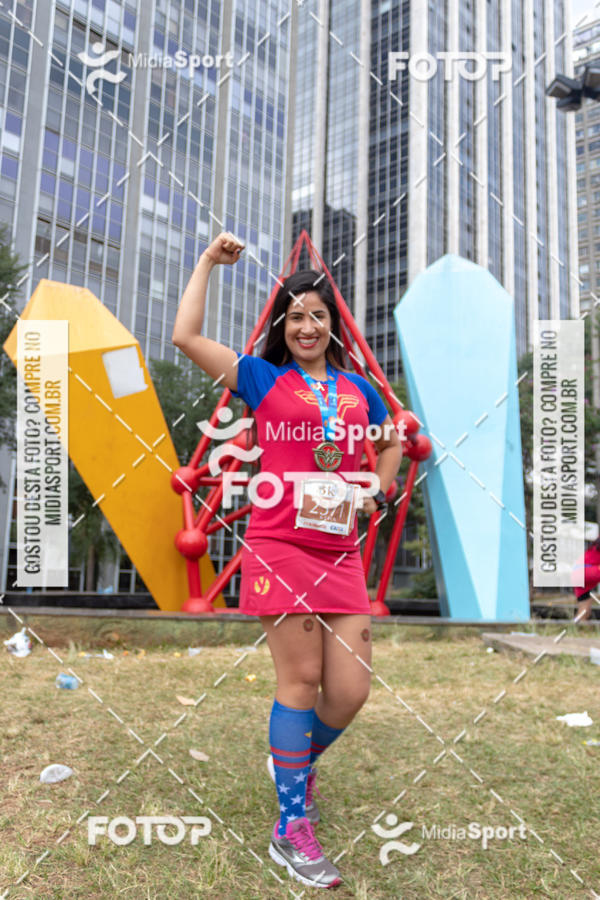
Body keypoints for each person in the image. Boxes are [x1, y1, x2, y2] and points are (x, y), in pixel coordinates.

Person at [172, 232, 403, 889]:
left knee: (350, 692)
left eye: (318, 314)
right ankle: (290, 829)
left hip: (341, 554)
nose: (306, 324)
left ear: (333, 325)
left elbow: (394, 442)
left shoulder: (360, 391)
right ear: (284, 325)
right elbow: (186, 337)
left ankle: (291, 762)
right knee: (300, 684)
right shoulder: (261, 378)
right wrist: (207, 264)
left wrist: (376, 488)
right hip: (279, 546)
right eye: (295, 315)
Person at [572, 536, 600, 621]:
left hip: (576, 573)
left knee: (585, 609)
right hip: (587, 571)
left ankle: (574, 628)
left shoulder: (594, 545)